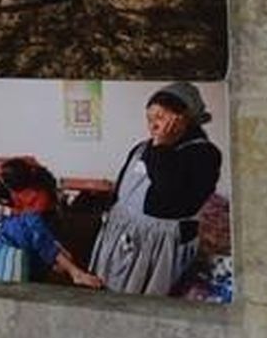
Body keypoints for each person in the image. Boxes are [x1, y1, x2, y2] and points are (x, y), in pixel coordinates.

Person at [89, 82, 223, 295]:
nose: (152, 125)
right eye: (149, 118)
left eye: (160, 118)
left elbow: (170, 195)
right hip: (121, 234)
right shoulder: (144, 147)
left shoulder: (204, 155)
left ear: (183, 118)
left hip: (155, 245)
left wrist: (163, 146)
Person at [0, 159, 104, 287]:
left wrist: (10, 211)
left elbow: (31, 219)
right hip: (18, 226)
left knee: (36, 234)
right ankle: (65, 264)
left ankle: (69, 268)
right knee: (31, 235)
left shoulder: (39, 195)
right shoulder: (7, 171)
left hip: (43, 220)